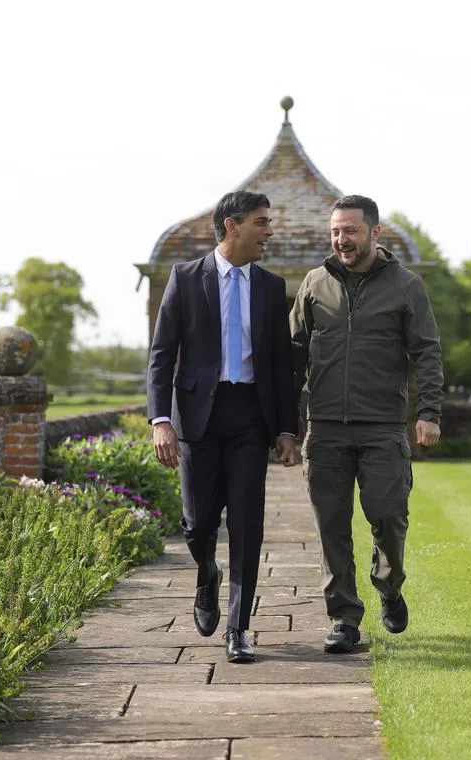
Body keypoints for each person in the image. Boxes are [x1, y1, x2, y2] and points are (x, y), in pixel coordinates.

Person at [147, 190, 298, 664]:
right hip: (197, 420)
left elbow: (281, 364)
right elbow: (161, 357)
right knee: (197, 524)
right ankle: (206, 571)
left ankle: (238, 627)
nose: (268, 231)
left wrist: (287, 429)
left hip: (250, 418)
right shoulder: (186, 278)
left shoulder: (272, 288)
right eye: (261, 222)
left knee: (248, 524)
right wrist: (161, 420)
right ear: (232, 226)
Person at [290, 194, 444, 654]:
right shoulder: (314, 284)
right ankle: (343, 619)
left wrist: (429, 412)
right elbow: (292, 353)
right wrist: (285, 422)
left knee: (389, 517)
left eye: (350, 230)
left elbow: (427, 353)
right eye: (336, 231)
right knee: (331, 527)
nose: (342, 239)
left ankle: (389, 585)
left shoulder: (406, 286)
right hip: (326, 430)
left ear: (375, 233)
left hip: (382, 427)